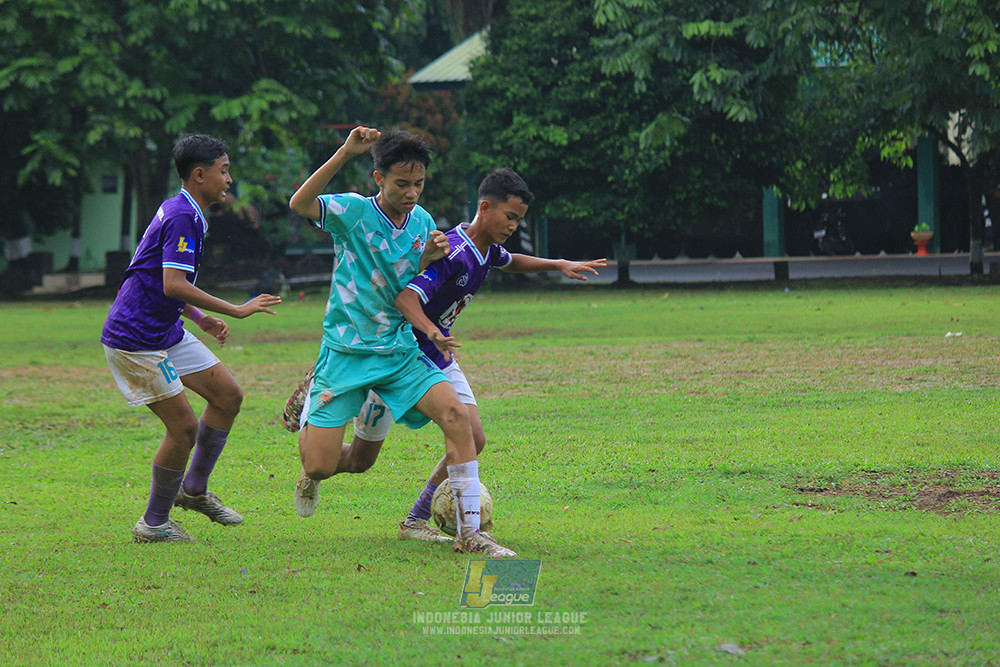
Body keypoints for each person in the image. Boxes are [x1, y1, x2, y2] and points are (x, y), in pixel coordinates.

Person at [283, 167, 606, 543]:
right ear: (485, 208)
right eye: (510, 217)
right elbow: (406, 298)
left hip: (437, 352)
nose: (514, 226)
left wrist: (558, 265)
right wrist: (431, 330)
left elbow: (509, 260)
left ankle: (420, 522)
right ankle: (314, 412)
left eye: (519, 219)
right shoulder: (452, 251)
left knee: (469, 436)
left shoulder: (485, 248)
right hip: (403, 351)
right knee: (353, 461)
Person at [288, 125, 517, 558]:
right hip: (346, 353)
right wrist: (345, 153)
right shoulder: (353, 211)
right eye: (402, 184)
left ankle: (470, 535)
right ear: (379, 178)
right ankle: (309, 422)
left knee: (457, 417)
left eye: (419, 184)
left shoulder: (424, 222)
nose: (412, 193)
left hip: (398, 351)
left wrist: (428, 259)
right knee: (319, 464)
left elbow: (413, 278)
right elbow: (299, 204)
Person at [101, 134, 282, 543]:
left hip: (164, 330)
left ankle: (194, 489)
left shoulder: (186, 211)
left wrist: (200, 318)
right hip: (136, 338)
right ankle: (154, 524)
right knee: (183, 428)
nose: (229, 179)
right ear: (199, 175)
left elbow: (155, 277)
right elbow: (172, 283)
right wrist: (234, 309)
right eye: (224, 171)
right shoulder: (183, 215)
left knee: (228, 396)